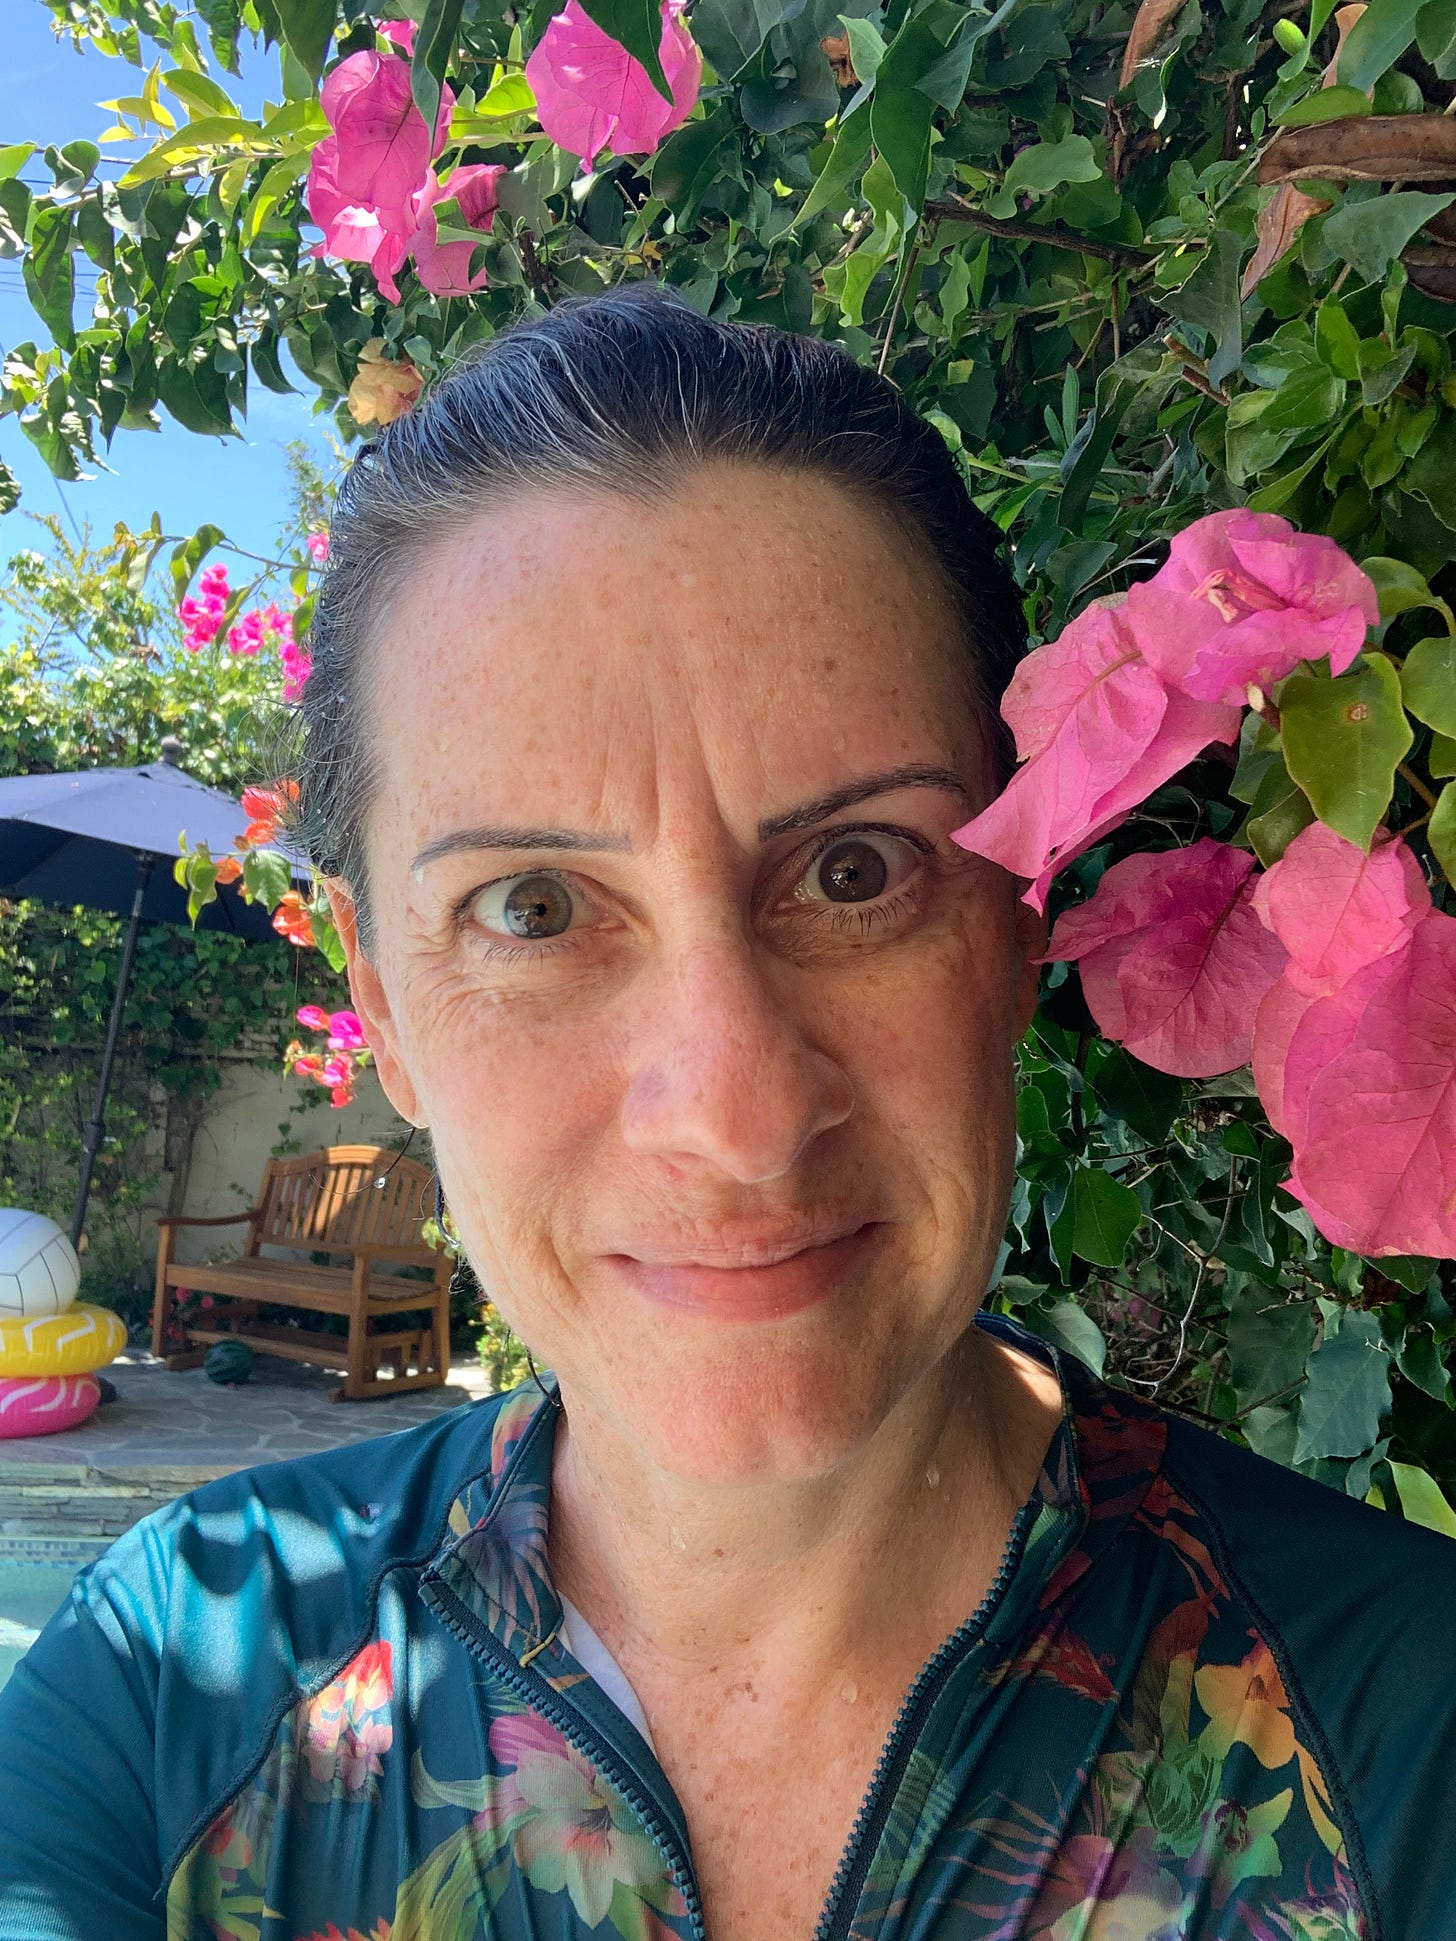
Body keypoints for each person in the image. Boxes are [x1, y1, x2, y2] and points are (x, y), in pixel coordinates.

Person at [1, 287, 1453, 1941]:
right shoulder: (164, 1699)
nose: (737, 1114)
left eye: (856, 871)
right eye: (534, 908)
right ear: (382, 995)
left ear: (1017, 915)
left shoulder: (1406, 1734)